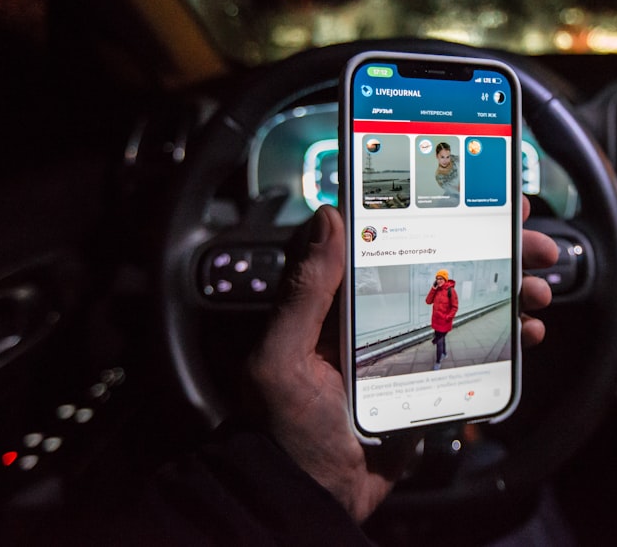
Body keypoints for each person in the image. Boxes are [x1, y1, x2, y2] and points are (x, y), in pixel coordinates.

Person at [98, 200, 556, 544]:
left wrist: (283, 476)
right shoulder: (443, 291)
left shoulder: (446, 291)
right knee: (504, 482)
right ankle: (457, 405)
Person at [426, 268, 458, 370]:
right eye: (437, 278)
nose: (439, 280)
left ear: (445, 279)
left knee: (438, 341)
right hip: (436, 321)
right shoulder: (437, 290)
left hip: (444, 321)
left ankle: (438, 362)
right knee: (441, 339)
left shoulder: (451, 291)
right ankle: (444, 353)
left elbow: (454, 307)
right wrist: (433, 288)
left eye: (441, 278)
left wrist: (447, 317)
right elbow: (428, 301)